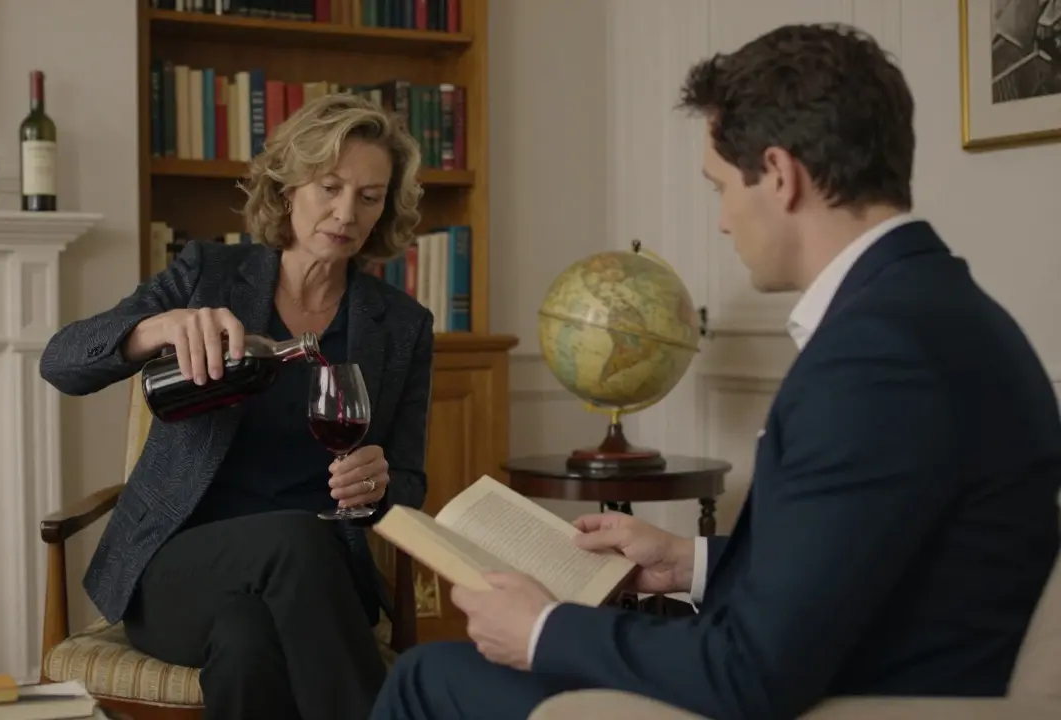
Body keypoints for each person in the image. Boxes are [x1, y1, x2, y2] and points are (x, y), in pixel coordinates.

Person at [369, 22, 1061, 720]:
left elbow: (752, 674)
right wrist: (689, 562)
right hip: (857, 669)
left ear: (781, 176)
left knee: (432, 676)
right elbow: (864, 558)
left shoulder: (877, 360)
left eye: (721, 187)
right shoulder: (939, 310)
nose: (725, 222)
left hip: (850, 699)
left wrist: (542, 630)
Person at [39, 92, 434, 720]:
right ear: (287, 188)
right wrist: (156, 328)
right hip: (180, 567)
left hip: (320, 581)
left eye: (370, 195)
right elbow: (60, 362)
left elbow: (408, 483)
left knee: (248, 647)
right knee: (294, 538)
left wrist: (381, 486)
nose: (346, 211)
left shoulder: (403, 326)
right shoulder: (209, 275)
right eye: (329, 186)